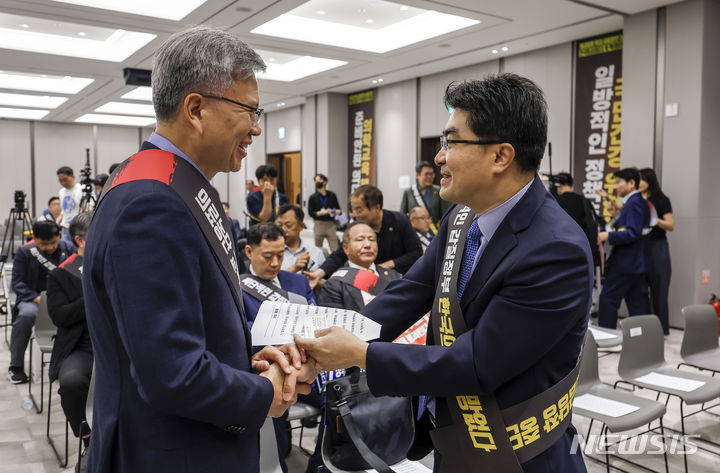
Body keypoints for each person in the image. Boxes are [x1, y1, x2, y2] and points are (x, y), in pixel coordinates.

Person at [296, 74, 593, 473]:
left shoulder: (556, 250)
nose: (439, 157)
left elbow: (475, 363)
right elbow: (412, 291)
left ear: (500, 157)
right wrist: (324, 341)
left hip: (517, 453)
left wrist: (361, 354)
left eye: (452, 142)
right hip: (454, 440)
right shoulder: (462, 216)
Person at [82, 26, 314, 473]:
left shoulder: (174, 183)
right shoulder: (151, 202)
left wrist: (244, 364)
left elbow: (180, 330)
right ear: (196, 109)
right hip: (170, 454)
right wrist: (267, 392)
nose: (256, 126)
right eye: (249, 109)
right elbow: (171, 374)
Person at [240, 223, 317, 473]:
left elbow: (315, 318)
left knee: (341, 395)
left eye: (281, 255)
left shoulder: (297, 282)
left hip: (307, 364)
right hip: (267, 366)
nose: (275, 263)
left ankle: (324, 461)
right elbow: (242, 329)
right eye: (268, 256)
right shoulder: (236, 286)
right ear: (249, 252)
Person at [47, 212, 93, 469]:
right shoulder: (61, 275)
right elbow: (59, 316)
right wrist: (92, 294)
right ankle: (87, 436)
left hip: (119, 343)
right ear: (79, 240)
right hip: (81, 347)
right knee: (73, 382)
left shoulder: (116, 264)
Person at [305, 185, 422, 284]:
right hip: (365, 281)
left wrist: (387, 265)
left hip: (400, 279)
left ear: (377, 208)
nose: (355, 214)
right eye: (353, 210)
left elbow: (416, 253)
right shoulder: (356, 227)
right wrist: (319, 273)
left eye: (359, 210)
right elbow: (340, 254)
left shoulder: (399, 221)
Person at [8, 220, 75, 383]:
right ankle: (15, 366)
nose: (49, 248)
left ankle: (71, 364)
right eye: (43, 244)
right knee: (26, 316)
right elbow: (17, 282)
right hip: (33, 299)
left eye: (53, 242)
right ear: (34, 239)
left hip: (62, 299)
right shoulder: (25, 252)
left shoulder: (69, 248)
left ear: (59, 235)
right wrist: (37, 298)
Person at [597, 168, 650, 330]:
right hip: (634, 263)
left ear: (631, 183)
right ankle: (641, 339)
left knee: (607, 300)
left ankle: (607, 337)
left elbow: (632, 232)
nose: (616, 186)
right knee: (636, 306)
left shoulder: (634, 203)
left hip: (625, 262)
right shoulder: (635, 202)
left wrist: (608, 236)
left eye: (619, 182)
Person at [318, 221, 401, 312]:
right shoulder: (335, 284)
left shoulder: (395, 277)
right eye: (360, 240)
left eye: (372, 239)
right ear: (346, 248)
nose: (367, 245)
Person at [639, 168, 674, 335]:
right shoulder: (636, 199)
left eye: (641, 180)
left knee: (659, 290)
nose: (638, 183)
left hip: (657, 247)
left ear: (649, 181)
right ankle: (645, 329)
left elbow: (671, 225)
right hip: (638, 247)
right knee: (639, 291)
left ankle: (661, 330)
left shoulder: (661, 200)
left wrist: (654, 217)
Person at [553, 172, 601, 267]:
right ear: (571, 185)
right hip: (581, 251)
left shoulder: (554, 201)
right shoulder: (584, 201)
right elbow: (594, 223)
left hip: (559, 251)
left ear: (558, 186)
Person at [400, 161, 451, 234]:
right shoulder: (409, 192)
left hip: (434, 233)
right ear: (417, 175)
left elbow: (446, 214)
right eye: (427, 174)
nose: (430, 177)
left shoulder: (439, 191)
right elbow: (403, 215)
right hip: (414, 233)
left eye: (432, 174)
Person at [275, 204, 325, 273]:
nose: (283, 229)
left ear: (301, 226)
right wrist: (293, 269)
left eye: (288, 225)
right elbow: (266, 281)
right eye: (280, 225)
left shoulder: (316, 253)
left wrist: (312, 277)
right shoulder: (271, 253)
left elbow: (326, 282)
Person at [307, 173, 341, 251]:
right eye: (316, 181)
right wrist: (323, 212)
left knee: (335, 248)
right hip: (319, 224)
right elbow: (311, 213)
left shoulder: (332, 195)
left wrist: (333, 211)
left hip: (331, 224)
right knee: (318, 249)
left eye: (319, 180)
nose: (317, 182)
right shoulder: (312, 197)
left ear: (325, 182)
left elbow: (339, 210)